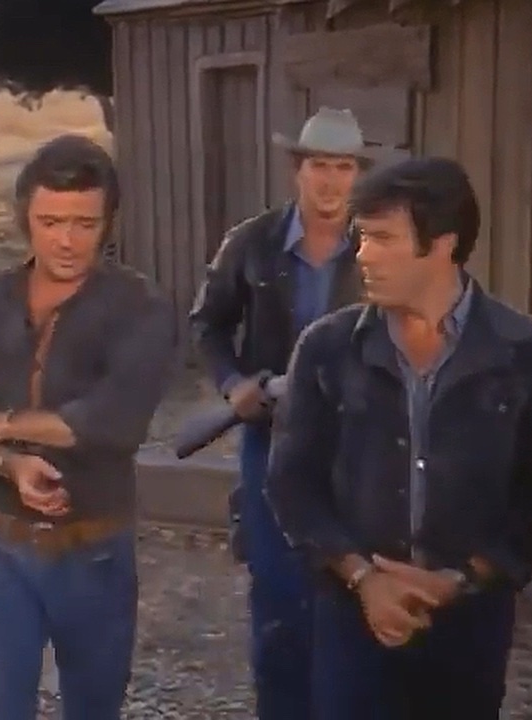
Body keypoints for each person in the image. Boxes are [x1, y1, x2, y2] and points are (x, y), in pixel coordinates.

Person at [269, 156, 532, 720]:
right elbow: (292, 483)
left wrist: (462, 578)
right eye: (361, 237)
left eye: (383, 239)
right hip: (350, 615)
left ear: (443, 245)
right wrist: (363, 578)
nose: (362, 255)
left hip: (470, 625)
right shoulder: (327, 349)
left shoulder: (529, 356)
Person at [0, 134, 176, 720]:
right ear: (25, 219)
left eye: (85, 223)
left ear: (108, 223)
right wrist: (8, 462)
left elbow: (113, 421)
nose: (67, 240)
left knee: (93, 708)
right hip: (0, 550)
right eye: (51, 221)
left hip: (95, 552)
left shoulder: (141, 306)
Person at [188, 106, 370, 719]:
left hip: (355, 451)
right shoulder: (251, 241)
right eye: (320, 165)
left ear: (357, 175)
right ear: (298, 168)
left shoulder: (379, 247)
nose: (331, 181)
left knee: (348, 596)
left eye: (344, 167)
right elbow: (208, 324)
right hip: (271, 442)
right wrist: (233, 383)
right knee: (278, 598)